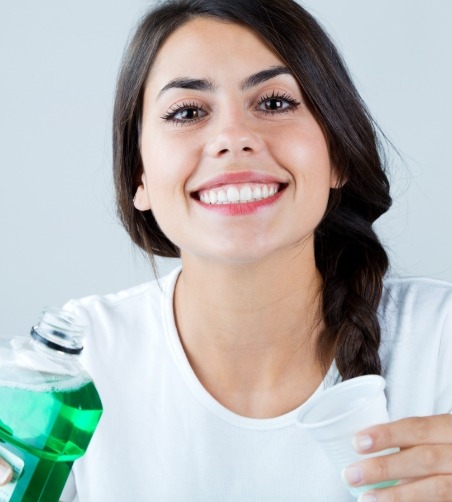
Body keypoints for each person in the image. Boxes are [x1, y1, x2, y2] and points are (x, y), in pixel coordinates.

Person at [1, 0, 451, 500]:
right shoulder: (73, 370)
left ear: (338, 156)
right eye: (188, 112)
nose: (234, 138)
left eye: (275, 103)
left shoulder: (440, 339)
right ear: (139, 178)